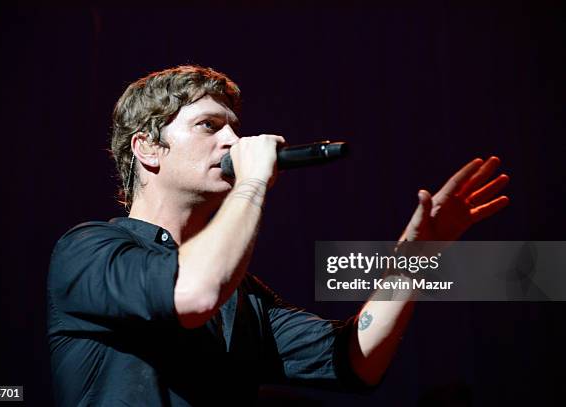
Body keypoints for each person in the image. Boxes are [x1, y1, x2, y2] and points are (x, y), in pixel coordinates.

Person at [47, 65, 510, 406]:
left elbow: (357, 361)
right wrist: (251, 183)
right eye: (209, 126)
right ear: (148, 148)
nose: (232, 141)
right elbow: (192, 292)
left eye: (234, 128)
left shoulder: (242, 296)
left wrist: (416, 255)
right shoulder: (89, 250)